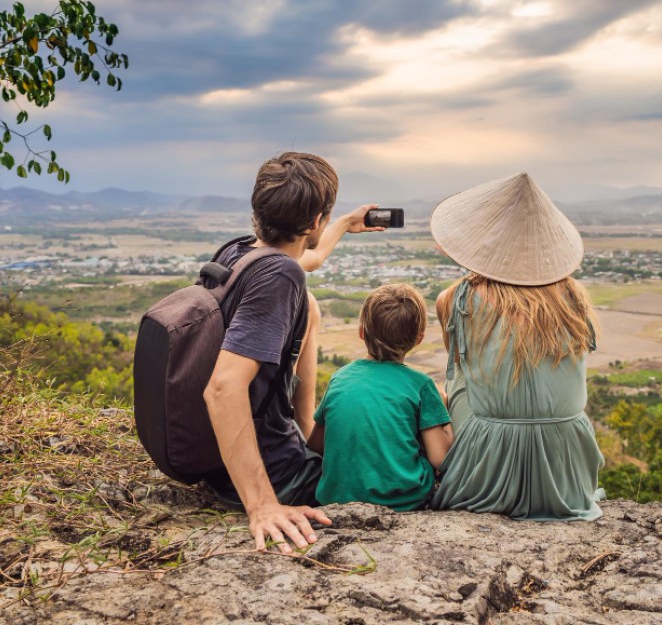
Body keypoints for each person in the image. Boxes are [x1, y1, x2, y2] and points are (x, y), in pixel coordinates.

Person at [202, 151, 382, 552]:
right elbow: (222, 388)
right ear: (313, 221)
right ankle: (292, 459)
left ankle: (302, 434)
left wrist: (346, 225)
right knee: (392, 473)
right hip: (272, 473)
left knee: (310, 307)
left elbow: (307, 260)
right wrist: (263, 506)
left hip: (216, 461)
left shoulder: (239, 253)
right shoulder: (281, 275)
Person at [430, 173, 604, 520]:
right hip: (566, 470)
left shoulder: (455, 300)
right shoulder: (575, 298)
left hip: (485, 469)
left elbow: (464, 377)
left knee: (439, 390)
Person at [306, 284, 452, 510]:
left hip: (336, 499)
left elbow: (316, 443)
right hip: (404, 501)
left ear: (362, 332)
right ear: (419, 338)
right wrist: (443, 412)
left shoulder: (339, 378)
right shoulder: (422, 385)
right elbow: (440, 458)